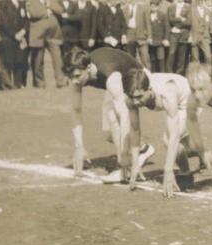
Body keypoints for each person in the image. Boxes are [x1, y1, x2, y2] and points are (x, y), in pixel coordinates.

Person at [63, 47, 156, 179]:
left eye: (77, 76)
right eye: (71, 77)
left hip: (137, 80)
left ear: (88, 68)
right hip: (116, 84)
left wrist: (123, 156)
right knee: (110, 135)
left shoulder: (109, 73)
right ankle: (143, 148)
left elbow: (124, 116)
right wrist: (79, 146)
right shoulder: (78, 76)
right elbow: (76, 109)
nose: (74, 81)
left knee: (113, 117)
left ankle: (123, 170)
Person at [122, 67, 211, 196]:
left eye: (139, 97)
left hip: (189, 101)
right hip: (176, 100)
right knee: (181, 143)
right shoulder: (131, 99)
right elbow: (135, 129)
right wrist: (135, 163)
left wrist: (168, 170)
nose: (136, 101)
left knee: (169, 139)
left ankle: (186, 173)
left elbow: (174, 135)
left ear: (149, 90)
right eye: (132, 97)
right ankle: (201, 151)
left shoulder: (167, 94)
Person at [27, 0, 67, 88]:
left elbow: (60, 10)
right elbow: (34, 13)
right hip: (39, 35)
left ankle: (60, 81)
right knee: (38, 61)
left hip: (53, 35)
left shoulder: (50, 0)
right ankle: (40, 82)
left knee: (57, 58)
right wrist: (47, 12)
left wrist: (49, 5)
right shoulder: (31, 1)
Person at [0, 0, 29, 88]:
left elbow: (26, 20)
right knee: (8, 61)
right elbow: (3, 22)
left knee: (19, 60)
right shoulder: (4, 4)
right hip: (8, 38)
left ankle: (18, 83)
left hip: (20, 37)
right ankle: (8, 83)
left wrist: (23, 31)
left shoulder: (22, 4)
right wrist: (14, 35)